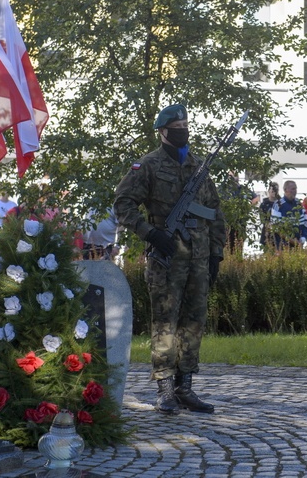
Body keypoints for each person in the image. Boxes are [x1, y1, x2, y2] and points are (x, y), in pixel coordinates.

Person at [113, 104, 225, 415]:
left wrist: (217, 252)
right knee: (165, 323)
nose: (183, 129)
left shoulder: (198, 166)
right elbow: (123, 204)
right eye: (176, 126)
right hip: (166, 258)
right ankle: (164, 388)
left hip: (199, 259)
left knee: (193, 322)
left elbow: (215, 212)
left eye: (186, 124)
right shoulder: (147, 166)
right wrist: (150, 233)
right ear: (163, 131)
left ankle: (185, 386)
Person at [270, 180, 307, 249]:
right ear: (285, 190)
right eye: (293, 189)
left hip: (298, 245)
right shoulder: (278, 205)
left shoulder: (299, 204)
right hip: (282, 246)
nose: (295, 191)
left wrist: (303, 239)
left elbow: (306, 223)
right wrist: (291, 240)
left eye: (296, 189)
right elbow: (276, 227)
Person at [258, 182, 280, 248]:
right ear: (269, 191)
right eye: (272, 191)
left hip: (279, 233)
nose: (274, 193)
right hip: (267, 233)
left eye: (276, 191)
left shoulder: (281, 203)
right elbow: (263, 219)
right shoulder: (264, 204)